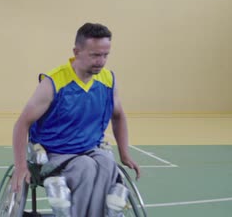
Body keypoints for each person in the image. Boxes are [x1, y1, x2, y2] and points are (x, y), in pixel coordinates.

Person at [11, 23, 140, 217]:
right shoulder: (53, 83)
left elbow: (119, 116)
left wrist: (125, 154)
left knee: (107, 163)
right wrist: (21, 166)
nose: (101, 61)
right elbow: (22, 124)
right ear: (77, 52)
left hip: (90, 148)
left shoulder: (107, 80)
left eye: (105, 55)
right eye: (95, 55)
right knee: (85, 167)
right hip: (55, 152)